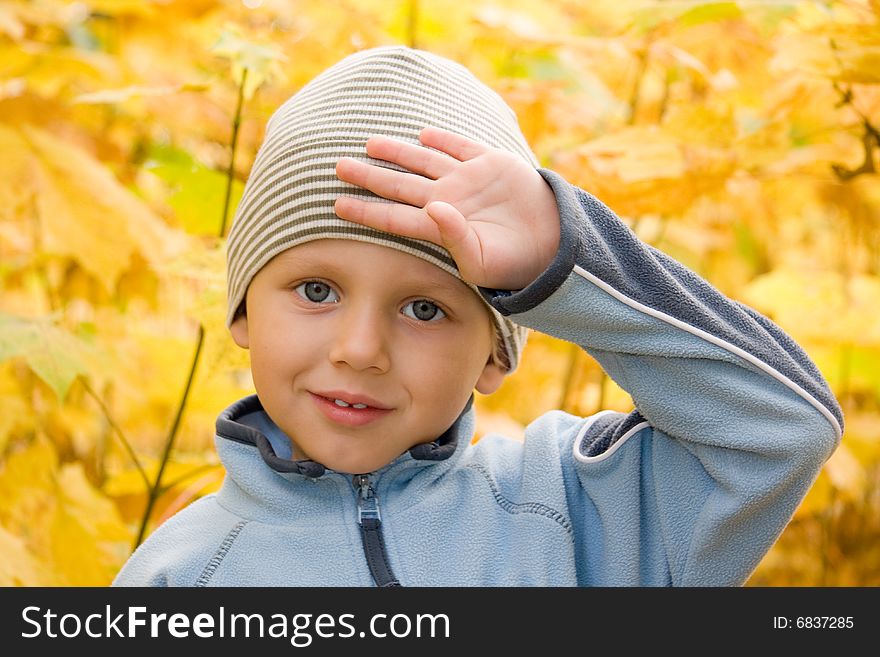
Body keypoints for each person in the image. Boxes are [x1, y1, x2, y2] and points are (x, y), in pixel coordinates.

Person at [112, 45, 843, 587]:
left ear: (496, 351)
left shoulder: (574, 510)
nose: (360, 348)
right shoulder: (180, 581)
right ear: (242, 309)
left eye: (425, 306)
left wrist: (565, 260)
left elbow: (780, 430)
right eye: (315, 290)